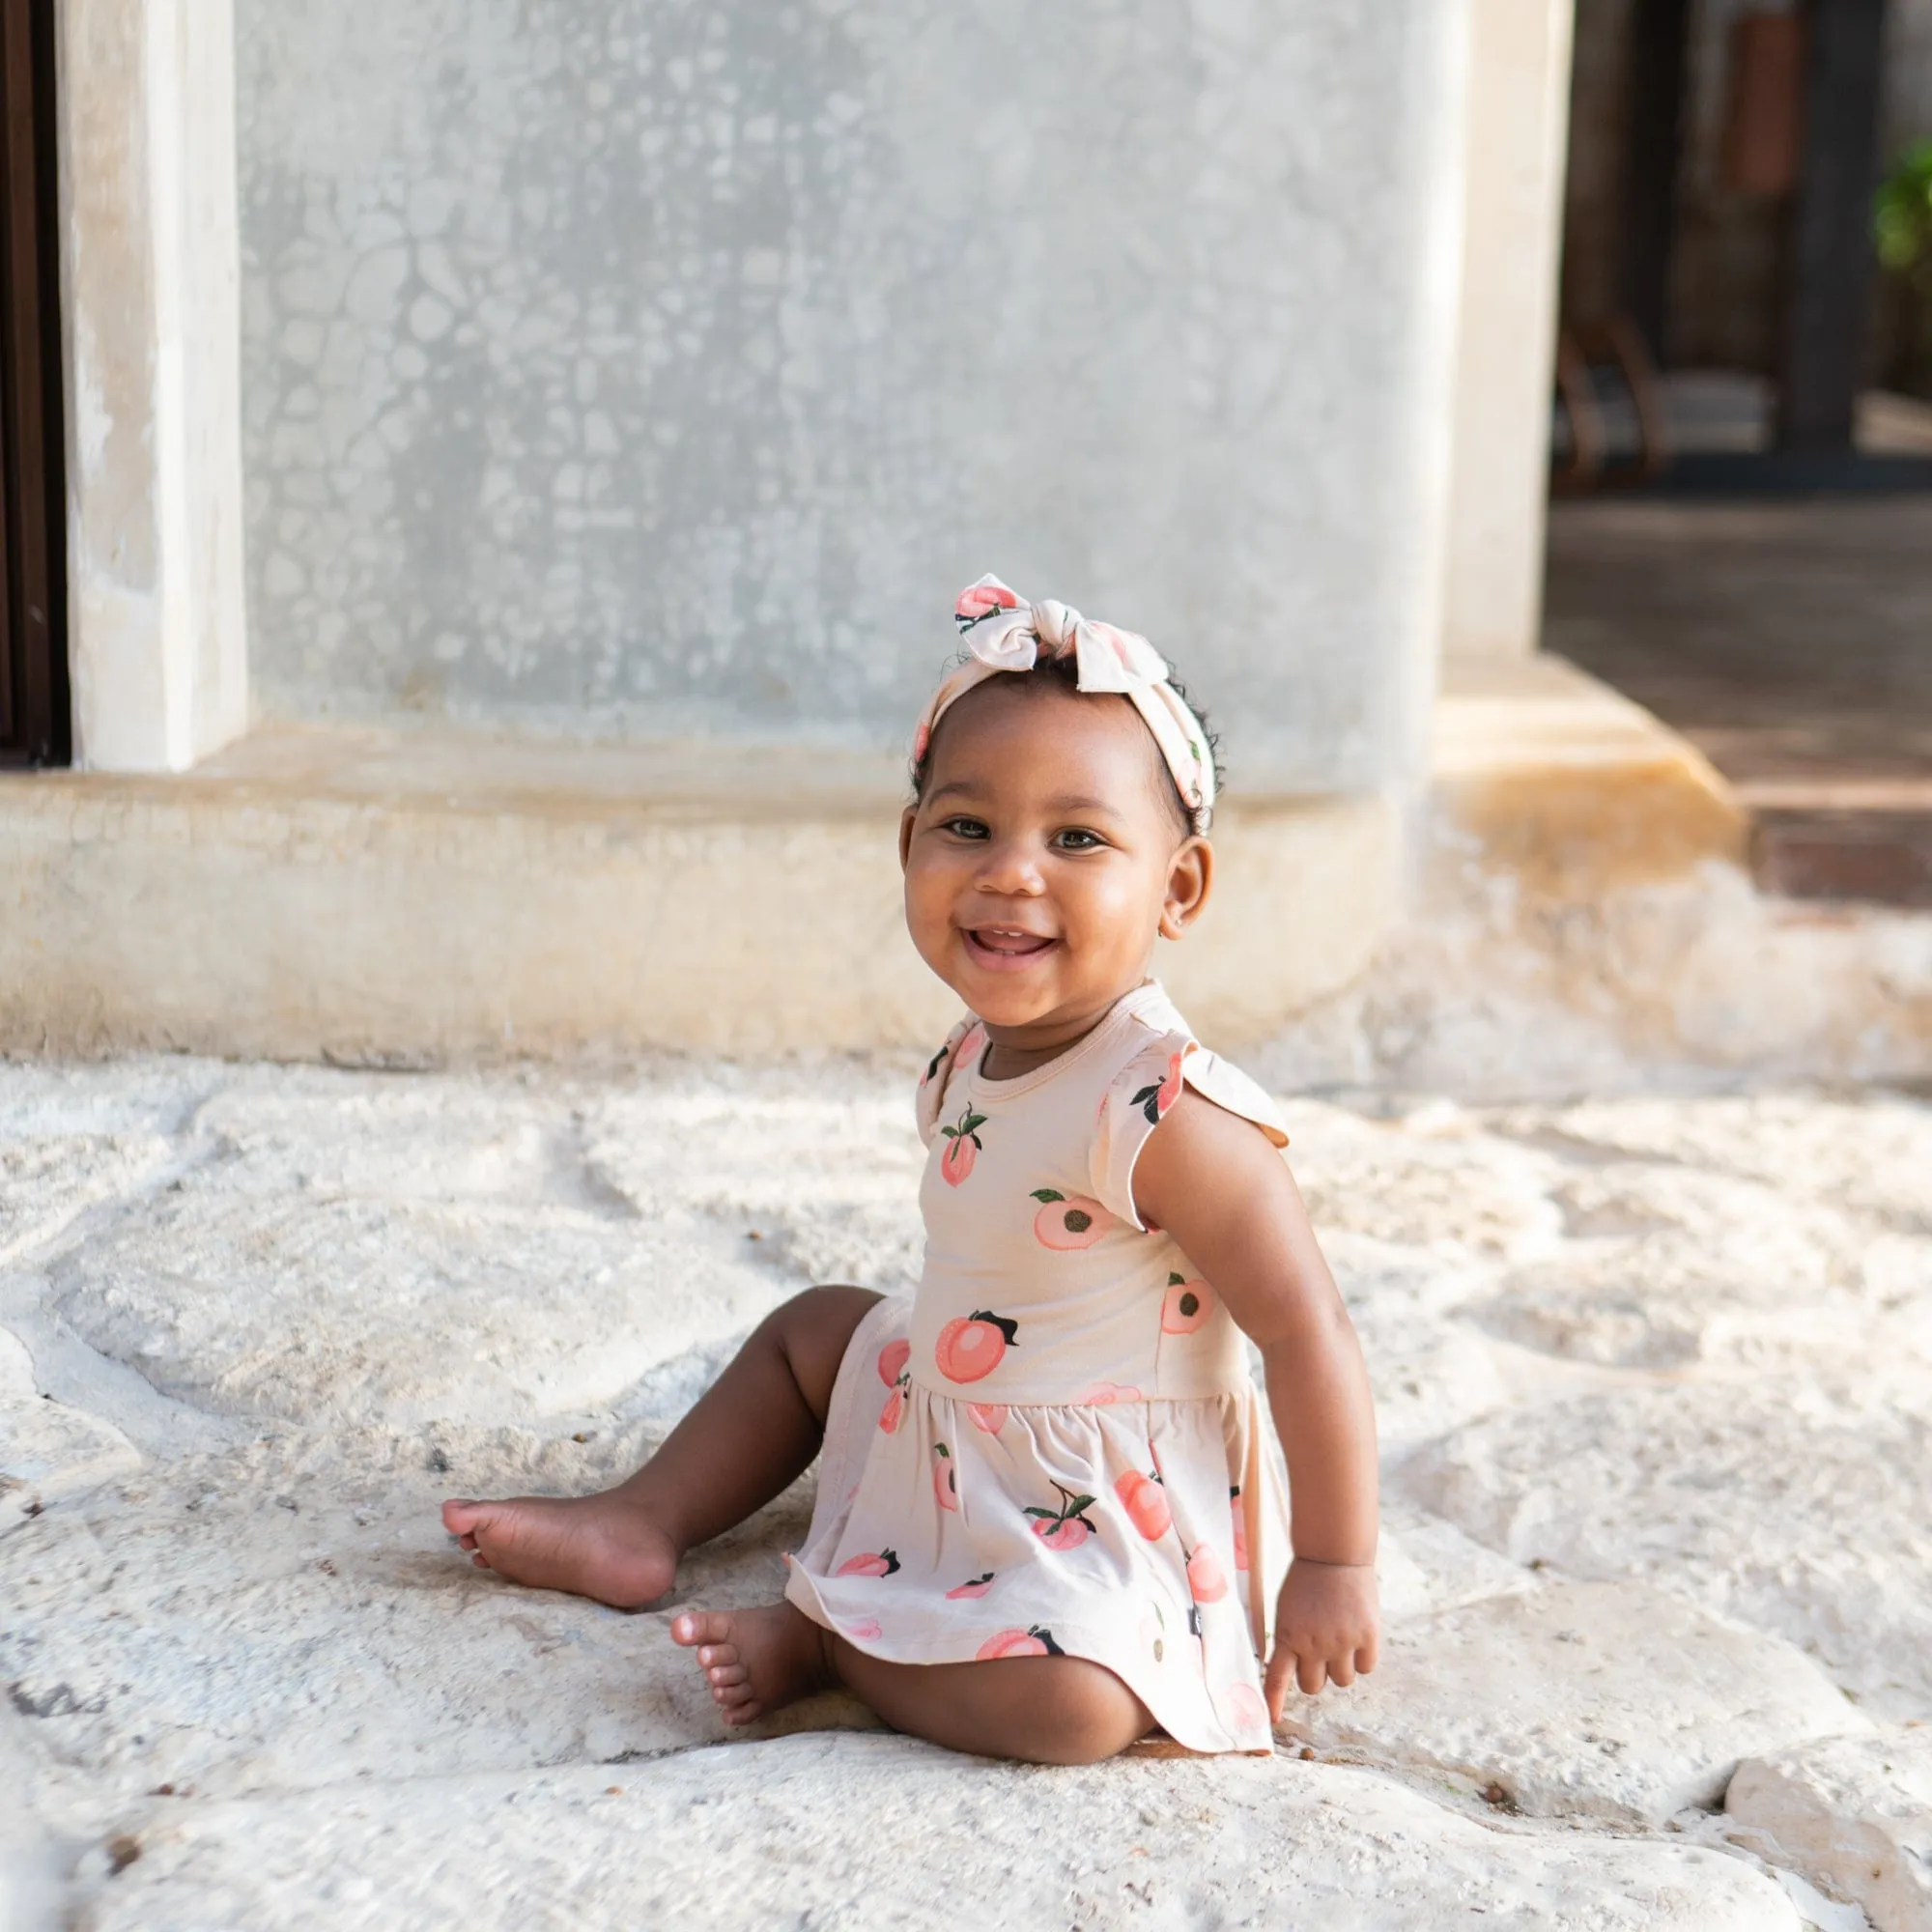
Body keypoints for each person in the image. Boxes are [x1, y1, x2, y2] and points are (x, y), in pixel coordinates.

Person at [442, 575, 1380, 1765]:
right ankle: (640, 1515)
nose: (1010, 871)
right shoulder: (971, 1052)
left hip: (1093, 1493)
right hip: (949, 1404)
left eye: (1077, 838)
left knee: (1076, 1710)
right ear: (909, 843)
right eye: (967, 826)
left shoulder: (1169, 1112)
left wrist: (1334, 1561)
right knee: (815, 1329)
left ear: (1177, 887)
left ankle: (833, 1644)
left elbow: (1307, 1333)